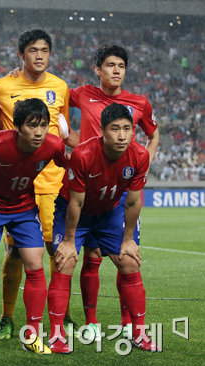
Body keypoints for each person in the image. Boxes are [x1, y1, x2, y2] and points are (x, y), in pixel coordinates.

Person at [0, 28, 78, 340]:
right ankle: (7, 318)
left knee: (54, 251)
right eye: (33, 51)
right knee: (13, 253)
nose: (39, 56)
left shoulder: (60, 86)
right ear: (21, 55)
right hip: (15, 186)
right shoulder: (2, 86)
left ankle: (58, 316)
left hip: (52, 181)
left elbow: (61, 131)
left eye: (44, 51)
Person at [47, 103, 155, 353]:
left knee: (128, 261)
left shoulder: (140, 155)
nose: (121, 135)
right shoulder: (83, 155)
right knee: (67, 261)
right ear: (101, 131)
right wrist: (69, 240)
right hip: (74, 211)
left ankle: (139, 333)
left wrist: (128, 239)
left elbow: (133, 200)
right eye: (115, 129)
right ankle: (56, 335)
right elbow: (76, 201)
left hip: (109, 211)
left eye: (127, 129)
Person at [69, 44, 159, 340]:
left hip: (122, 189)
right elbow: (53, 98)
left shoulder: (139, 103)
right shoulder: (82, 94)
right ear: (98, 70)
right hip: (89, 185)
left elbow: (152, 133)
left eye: (121, 65)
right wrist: (70, 141)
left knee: (126, 255)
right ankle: (92, 321)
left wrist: (142, 163)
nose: (116, 70)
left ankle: (128, 322)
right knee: (91, 257)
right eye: (110, 65)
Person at [0, 98, 67, 355]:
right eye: (32, 126)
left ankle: (32, 335)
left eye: (44, 126)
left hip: (23, 208)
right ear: (18, 126)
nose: (38, 132)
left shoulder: (54, 145)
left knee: (36, 265)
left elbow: (69, 166)